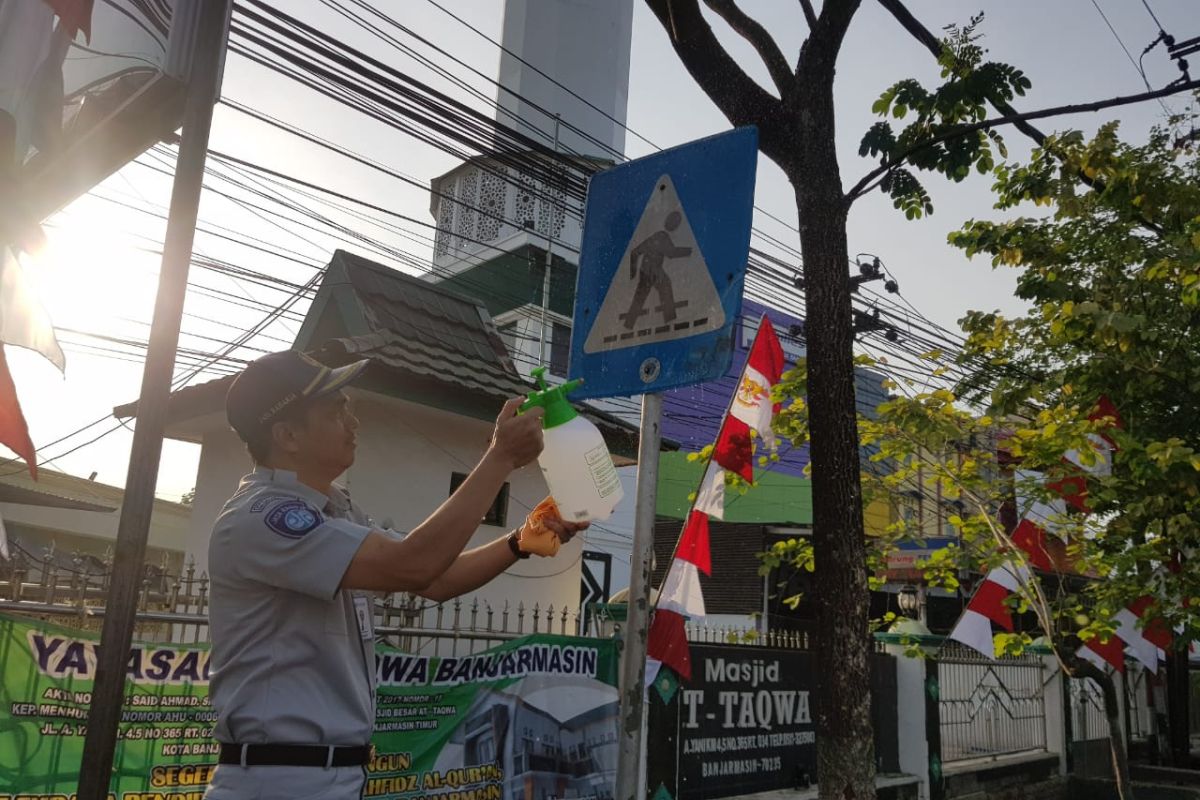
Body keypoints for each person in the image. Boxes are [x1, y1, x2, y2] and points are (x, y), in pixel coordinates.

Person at [203, 350, 586, 799]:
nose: (353, 420)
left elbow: (435, 580)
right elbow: (414, 564)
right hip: (280, 780)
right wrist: (500, 458)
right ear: (287, 434)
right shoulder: (263, 518)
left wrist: (520, 541)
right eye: (335, 410)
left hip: (329, 776)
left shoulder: (334, 512)